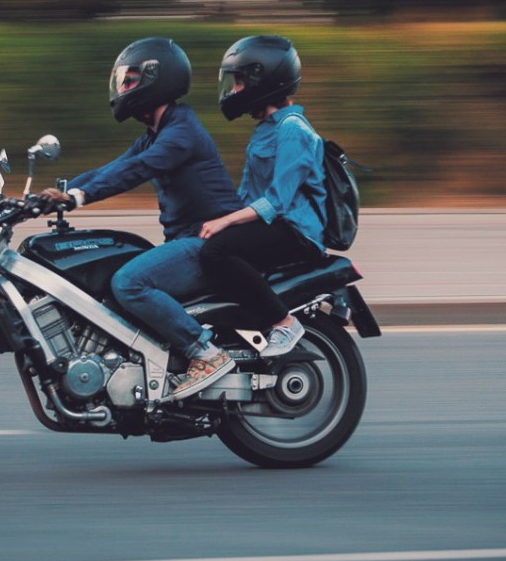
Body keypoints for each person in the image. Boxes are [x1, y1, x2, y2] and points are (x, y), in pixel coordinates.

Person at [39, 37, 242, 400]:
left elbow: (136, 170)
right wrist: (49, 196)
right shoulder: (157, 133)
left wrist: (78, 197)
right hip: (187, 241)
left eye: (131, 80)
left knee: (130, 281)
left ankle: (205, 353)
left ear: (157, 79)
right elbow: (114, 167)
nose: (123, 88)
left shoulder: (181, 133)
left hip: (208, 242)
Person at [197, 35, 328, 359]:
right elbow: (247, 195)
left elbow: (277, 201)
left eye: (239, 81)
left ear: (262, 79)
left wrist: (226, 221)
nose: (234, 90)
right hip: (275, 225)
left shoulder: (293, 130)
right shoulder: (266, 129)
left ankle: (284, 322)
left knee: (217, 251)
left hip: (296, 230)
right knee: (206, 244)